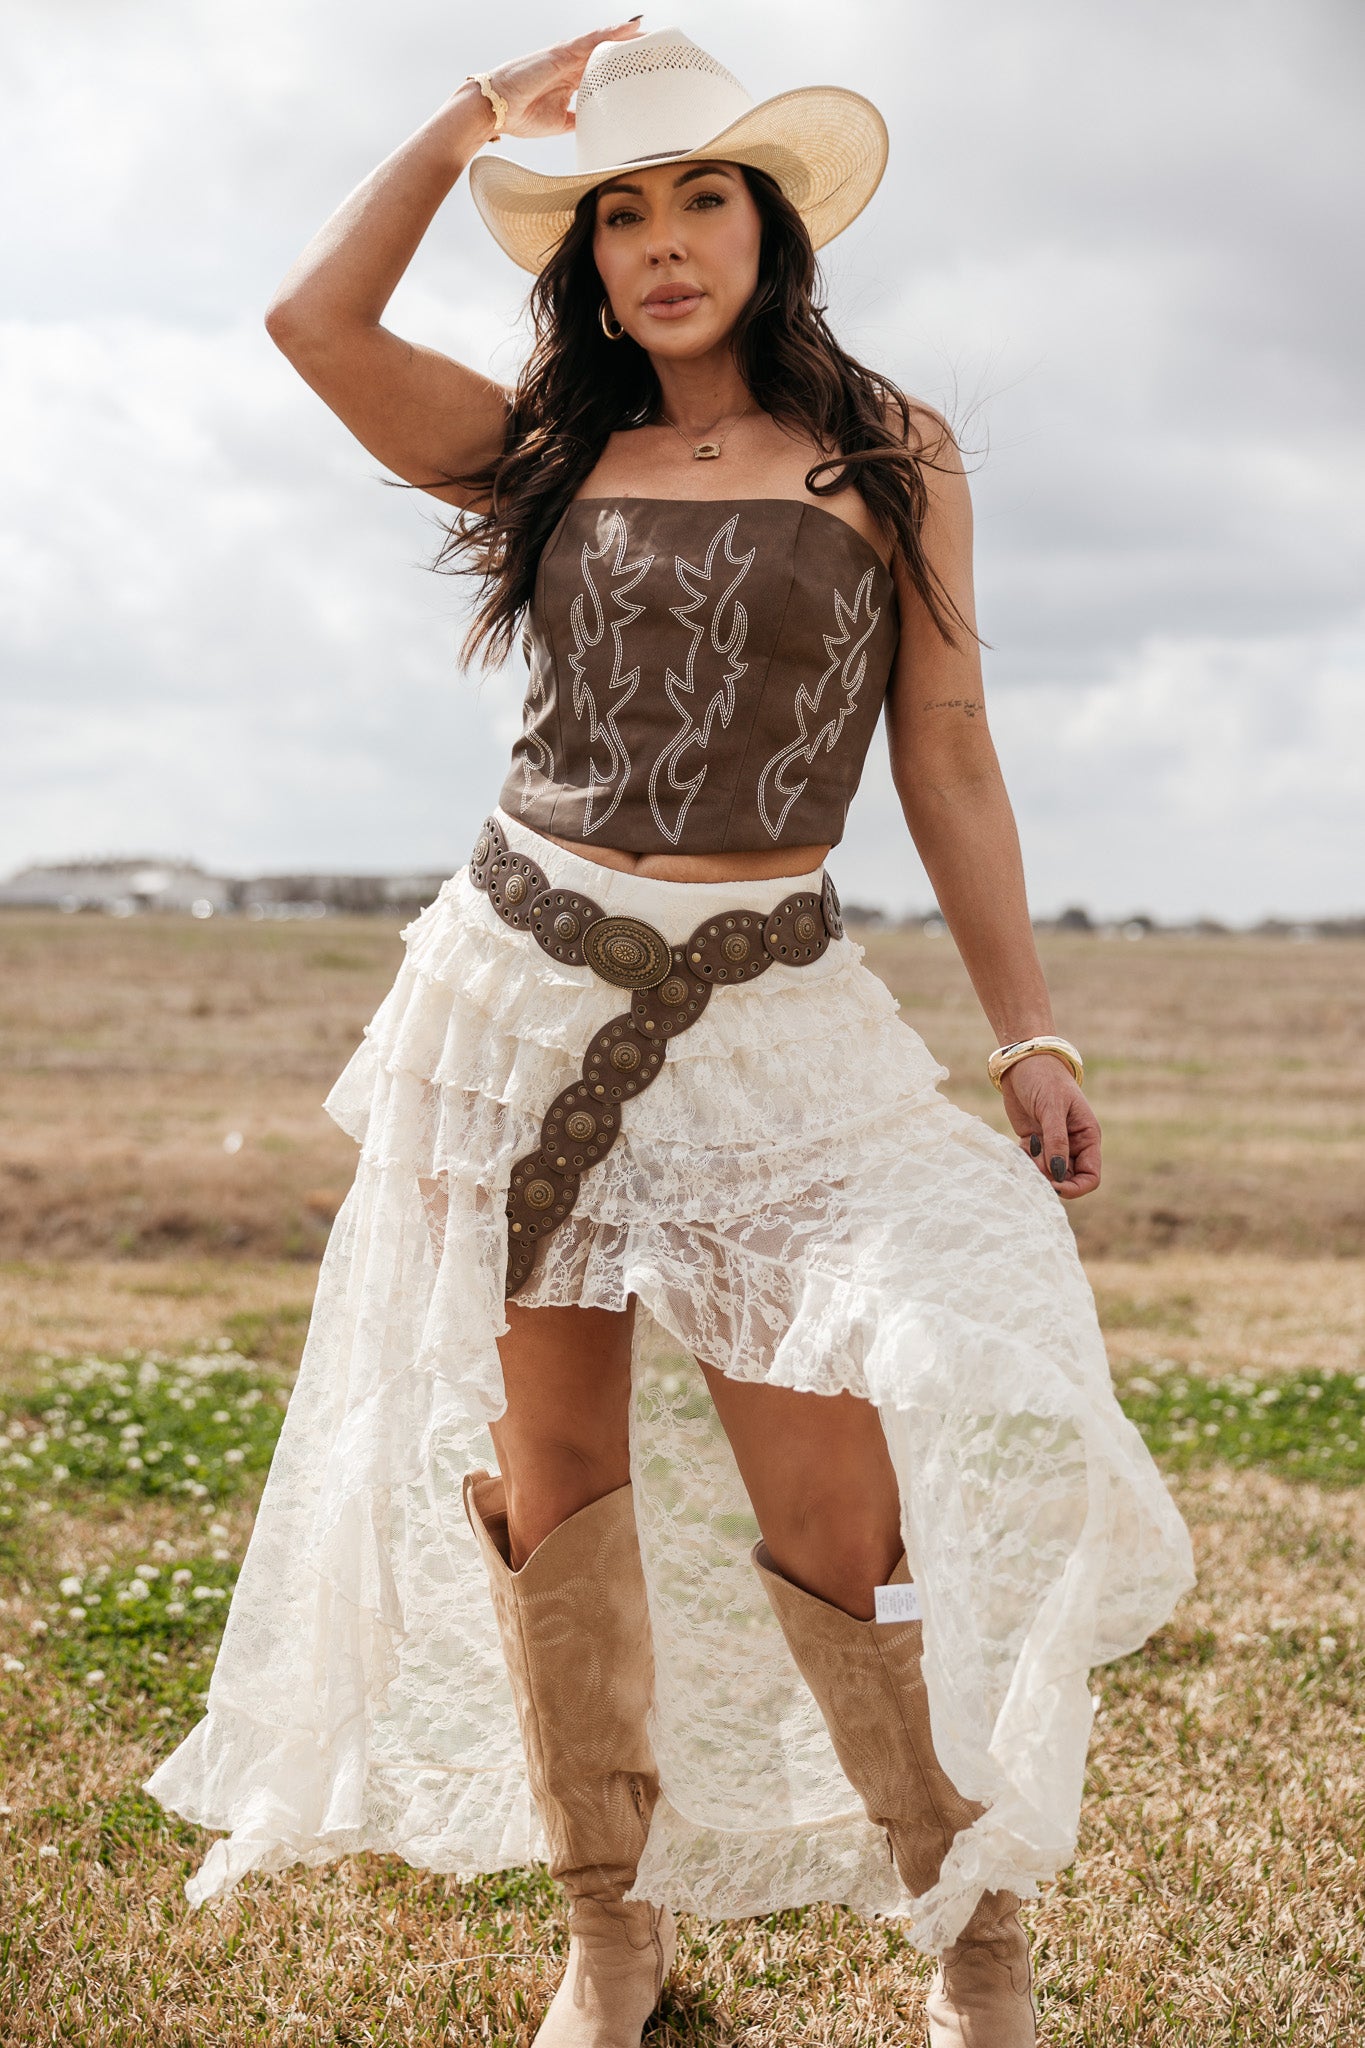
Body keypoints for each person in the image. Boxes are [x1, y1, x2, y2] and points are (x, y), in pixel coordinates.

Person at [144, 22, 1195, 2047]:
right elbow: (305, 316)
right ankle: (607, 1936)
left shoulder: (884, 450)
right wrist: (469, 120)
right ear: (582, 256)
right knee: (556, 1479)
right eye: (615, 211)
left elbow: (950, 751)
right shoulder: (546, 440)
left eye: (698, 194)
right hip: (516, 996)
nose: (659, 242)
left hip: (765, 1020)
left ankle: (965, 1931)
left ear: (767, 223)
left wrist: (1026, 1033)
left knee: (833, 1506)